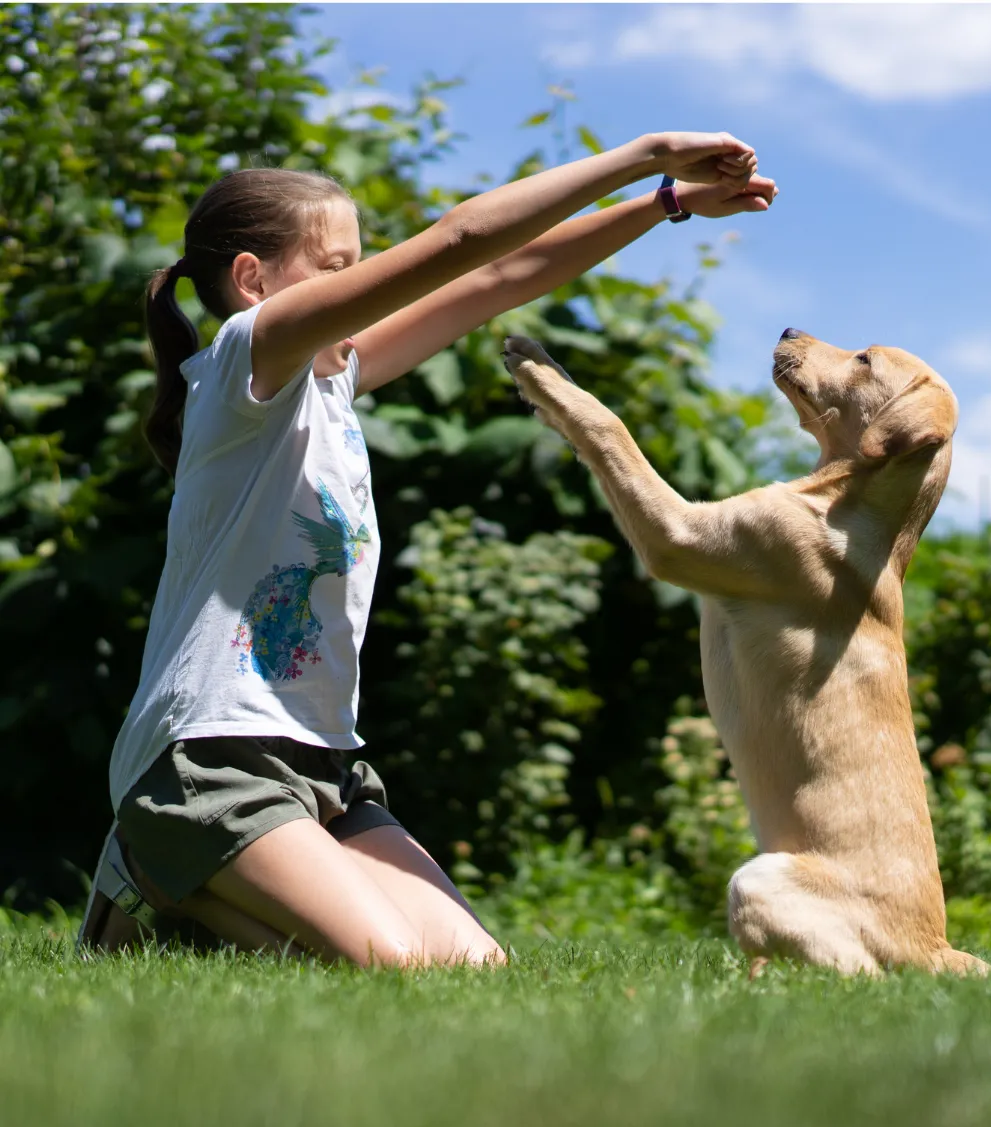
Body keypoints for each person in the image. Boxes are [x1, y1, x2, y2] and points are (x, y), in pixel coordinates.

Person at [78, 131, 779, 968]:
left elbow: (498, 277)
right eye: (337, 269)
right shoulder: (245, 362)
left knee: (479, 975)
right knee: (393, 970)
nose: (362, 286)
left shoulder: (329, 382)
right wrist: (647, 154)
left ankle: (185, 898)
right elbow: (460, 243)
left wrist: (662, 206)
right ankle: (152, 861)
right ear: (252, 281)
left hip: (323, 762)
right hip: (208, 757)